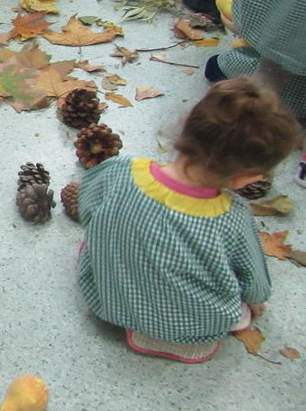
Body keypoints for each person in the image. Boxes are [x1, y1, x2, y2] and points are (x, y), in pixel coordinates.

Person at [77, 78, 300, 363]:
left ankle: (132, 316)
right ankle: (171, 338)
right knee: (236, 313)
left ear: (185, 125)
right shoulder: (233, 217)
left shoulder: (118, 170)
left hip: (107, 299)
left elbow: (87, 210)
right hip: (188, 323)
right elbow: (252, 279)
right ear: (247, 177)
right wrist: (256, 299)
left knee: (92, 246)